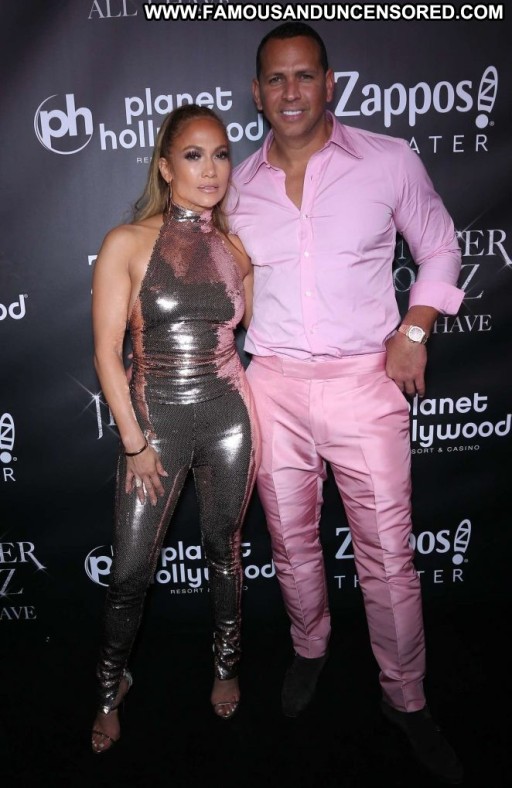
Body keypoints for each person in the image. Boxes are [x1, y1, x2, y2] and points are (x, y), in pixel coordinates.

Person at [229, 22, 464, 785]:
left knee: (388, 553)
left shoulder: (389, 161)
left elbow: (440, 246)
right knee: (290, 541)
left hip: (366, 382)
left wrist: (416, 329)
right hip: (273, 385)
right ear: (257, 93)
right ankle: (310, 649)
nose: (291, 91)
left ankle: (405, 696)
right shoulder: (235, 185)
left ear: (330, 83)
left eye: (305, 75)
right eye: (276, 78)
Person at [90, 104, 260, 753]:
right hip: (153, 427)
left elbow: (249, 338)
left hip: (229, 421)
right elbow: (107, 354)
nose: (210, 169)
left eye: (220, 154)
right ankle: (110, 685)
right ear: (165, 167)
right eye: (193, 155)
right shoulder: (128, 242)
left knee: (224, 550)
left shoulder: (236, 251)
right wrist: (135, 443)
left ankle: (226, 664)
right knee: (130, 572)